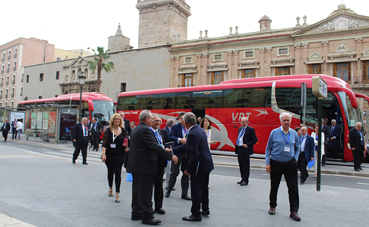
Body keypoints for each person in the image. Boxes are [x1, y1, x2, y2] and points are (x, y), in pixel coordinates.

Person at [127, 110, 178, 225]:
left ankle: (136, 212)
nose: (153, 120)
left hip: (137, 166)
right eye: (151, 118)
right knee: (145, 191)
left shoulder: (136, 129)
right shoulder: (145, 130)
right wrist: (170, 156)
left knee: (137, 191)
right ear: (147, 119)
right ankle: (147, 215)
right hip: (144, 166)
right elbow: (154, 146)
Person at [172, 112, 214, 222]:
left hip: (199, 166)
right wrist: (173, 150)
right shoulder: (199, 130)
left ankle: (196, 214)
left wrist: (188, 170)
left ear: (185, 123)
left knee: (196, 189)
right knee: (204, 188)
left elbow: (194, 155)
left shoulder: (192, 133)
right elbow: (188, 146)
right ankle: (205, 209)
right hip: (207, 164)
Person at [265, 112, 301, 221]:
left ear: (291, 121)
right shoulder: (274, 132)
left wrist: (295, 158)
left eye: (288, 120)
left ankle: (294, 211)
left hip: (290, 163)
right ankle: (272, 206)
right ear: (280, 121)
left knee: (293, 187)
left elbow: (297, 148)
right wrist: (267, 163)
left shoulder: (294, 133)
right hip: (276, 162)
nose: (286, 122)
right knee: (274, 185)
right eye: (284, 120)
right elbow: (268, 149)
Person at [101, 114, 128, 203]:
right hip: (110, 155)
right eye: (115, 119)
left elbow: (126, 141)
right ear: (112, 120)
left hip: (120, 155)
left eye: (118, 119)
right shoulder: (108, 131)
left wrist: (127, 147)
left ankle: (117, 193)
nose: (117, 121)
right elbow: (104, 144)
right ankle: (110, 187)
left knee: (118, 173)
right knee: (110, 172)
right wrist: (103, 154)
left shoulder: (123, 131)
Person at [166, 112, 191, 200]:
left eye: (185, 119)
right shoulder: (175, 127)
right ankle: (168, 191)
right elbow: (170, 137)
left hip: (187, 154)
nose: (183, 120)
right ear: (179, 119)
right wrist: (180, 140)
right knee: (174, 173)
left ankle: (184, 193)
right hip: (177, 153)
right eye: (182, 118)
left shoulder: (190, 127)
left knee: (186, 174)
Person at [151, 115, 168, 215]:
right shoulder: (148, 132)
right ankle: (149, 206)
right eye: (155, 121)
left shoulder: (161, 132)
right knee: (149, 186)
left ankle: (159, 206)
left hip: (160, 161)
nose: (157, 123)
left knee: (159, 185)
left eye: (159, 121)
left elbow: (163, 144)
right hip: (151, 161)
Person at [235, 117, 257, 186]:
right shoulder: (240, 129)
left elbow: (254, 139)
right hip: (239, 148)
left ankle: (246, 180)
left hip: (245, 149)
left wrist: (247, 145)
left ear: (247, 122)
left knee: (246, 165)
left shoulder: (250, 129)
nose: (242, 123)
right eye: (241, 122)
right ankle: (242, 178)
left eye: (244, 122)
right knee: (241, 165)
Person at [162, 118, 175, 189]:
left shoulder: (170, 130)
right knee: (168, 167)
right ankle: (168, 184)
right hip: (167, 150)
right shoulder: (164, 130)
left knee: (165, 167)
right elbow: (164, 141)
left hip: (170, 150)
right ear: (172, 124)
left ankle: (157, 178)